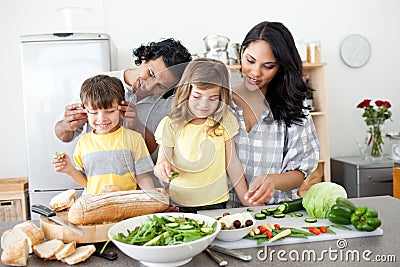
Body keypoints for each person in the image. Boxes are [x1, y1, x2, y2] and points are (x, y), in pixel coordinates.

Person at [230, 21, 320, 206]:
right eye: (250, 61)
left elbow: (300, 172)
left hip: (274, 214)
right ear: (241, 52)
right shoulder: (221, 102)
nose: (255, 72)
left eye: (268, 66)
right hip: (225, 215)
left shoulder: (294, 109)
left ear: (281, 67)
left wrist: (273, 180)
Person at [54, 38, 192, 156]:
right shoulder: (96, 83)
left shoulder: (166, 104)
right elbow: (63, 136)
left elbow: (156, 157)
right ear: (144, 57)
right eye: (150, 73)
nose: (149, 86)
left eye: (161, 86)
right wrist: (67, 125)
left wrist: (136, 125)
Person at [154, 58, 253, 213]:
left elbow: (232, 163)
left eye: (213, 98)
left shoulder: (225, 120)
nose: (204, 104)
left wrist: (246, 198)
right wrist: (162, 169)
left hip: (216, 202)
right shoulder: (170, 124)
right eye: (197, 96)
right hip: (180, 202)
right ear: (186, 92)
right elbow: (161, 162)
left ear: (221, 97)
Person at [52, 75, 156, 194]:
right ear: (85, 111)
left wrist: (152, 193)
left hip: (127, 205)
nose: (101, 119)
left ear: (121, 108)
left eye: (110, 111)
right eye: (94, 112)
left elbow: (142, 176)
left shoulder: (134, 138)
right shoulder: (84, 143)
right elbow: (86, 182)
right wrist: (69, 169)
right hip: (95, 205)